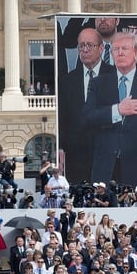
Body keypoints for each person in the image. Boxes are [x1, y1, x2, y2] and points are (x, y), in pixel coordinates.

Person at [84, 31, 137, 187]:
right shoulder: (98, 84)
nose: (120, 53)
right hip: (105, 170)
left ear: (136, 53)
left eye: (125, 48)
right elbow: (88, 118)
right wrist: (118, 110)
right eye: (116, 49)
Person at [58, 27, 116, 184]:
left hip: (108, 156)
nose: (85, 50)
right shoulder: (67, 81)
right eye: (81, 46)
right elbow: (63, 119)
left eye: (89, 45)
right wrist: (60, 148)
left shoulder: (115, 76)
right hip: (76, 157)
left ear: (101, 48)